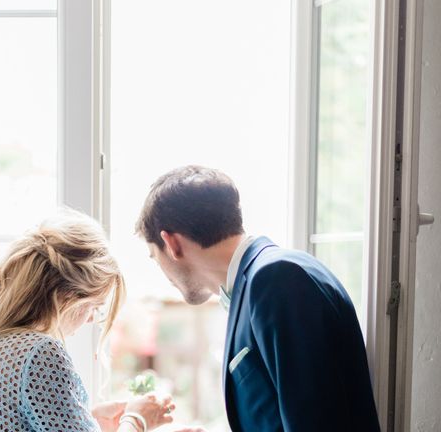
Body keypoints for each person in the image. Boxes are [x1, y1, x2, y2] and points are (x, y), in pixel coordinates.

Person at [135, 165, 381, 432]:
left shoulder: (278, 279)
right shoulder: (257, 283)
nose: (162, 274)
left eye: (153, 257)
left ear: (171, 244)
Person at [0, 211, 177, 432]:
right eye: (93, 307)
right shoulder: (37, 353)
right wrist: (137, 419)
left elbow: (4, 420)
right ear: (65, 297)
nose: (90, 319)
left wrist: (88, 420)